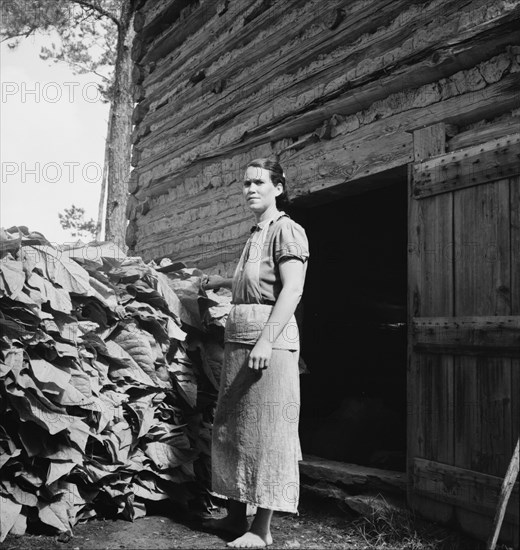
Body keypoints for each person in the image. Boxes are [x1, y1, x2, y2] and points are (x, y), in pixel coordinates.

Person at [202, 157, 309, 548]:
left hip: (269, 341)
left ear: (278, 188)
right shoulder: (256, 233)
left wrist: (266, 340)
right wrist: (217, 281)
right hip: (239, 338)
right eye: (246, 183)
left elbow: (292, 289)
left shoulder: (287, 230)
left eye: (259, 183)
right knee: (232, 428)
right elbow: (249, 282)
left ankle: (260, 529)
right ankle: (234, 518)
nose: (250, 189)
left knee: (267, 432)